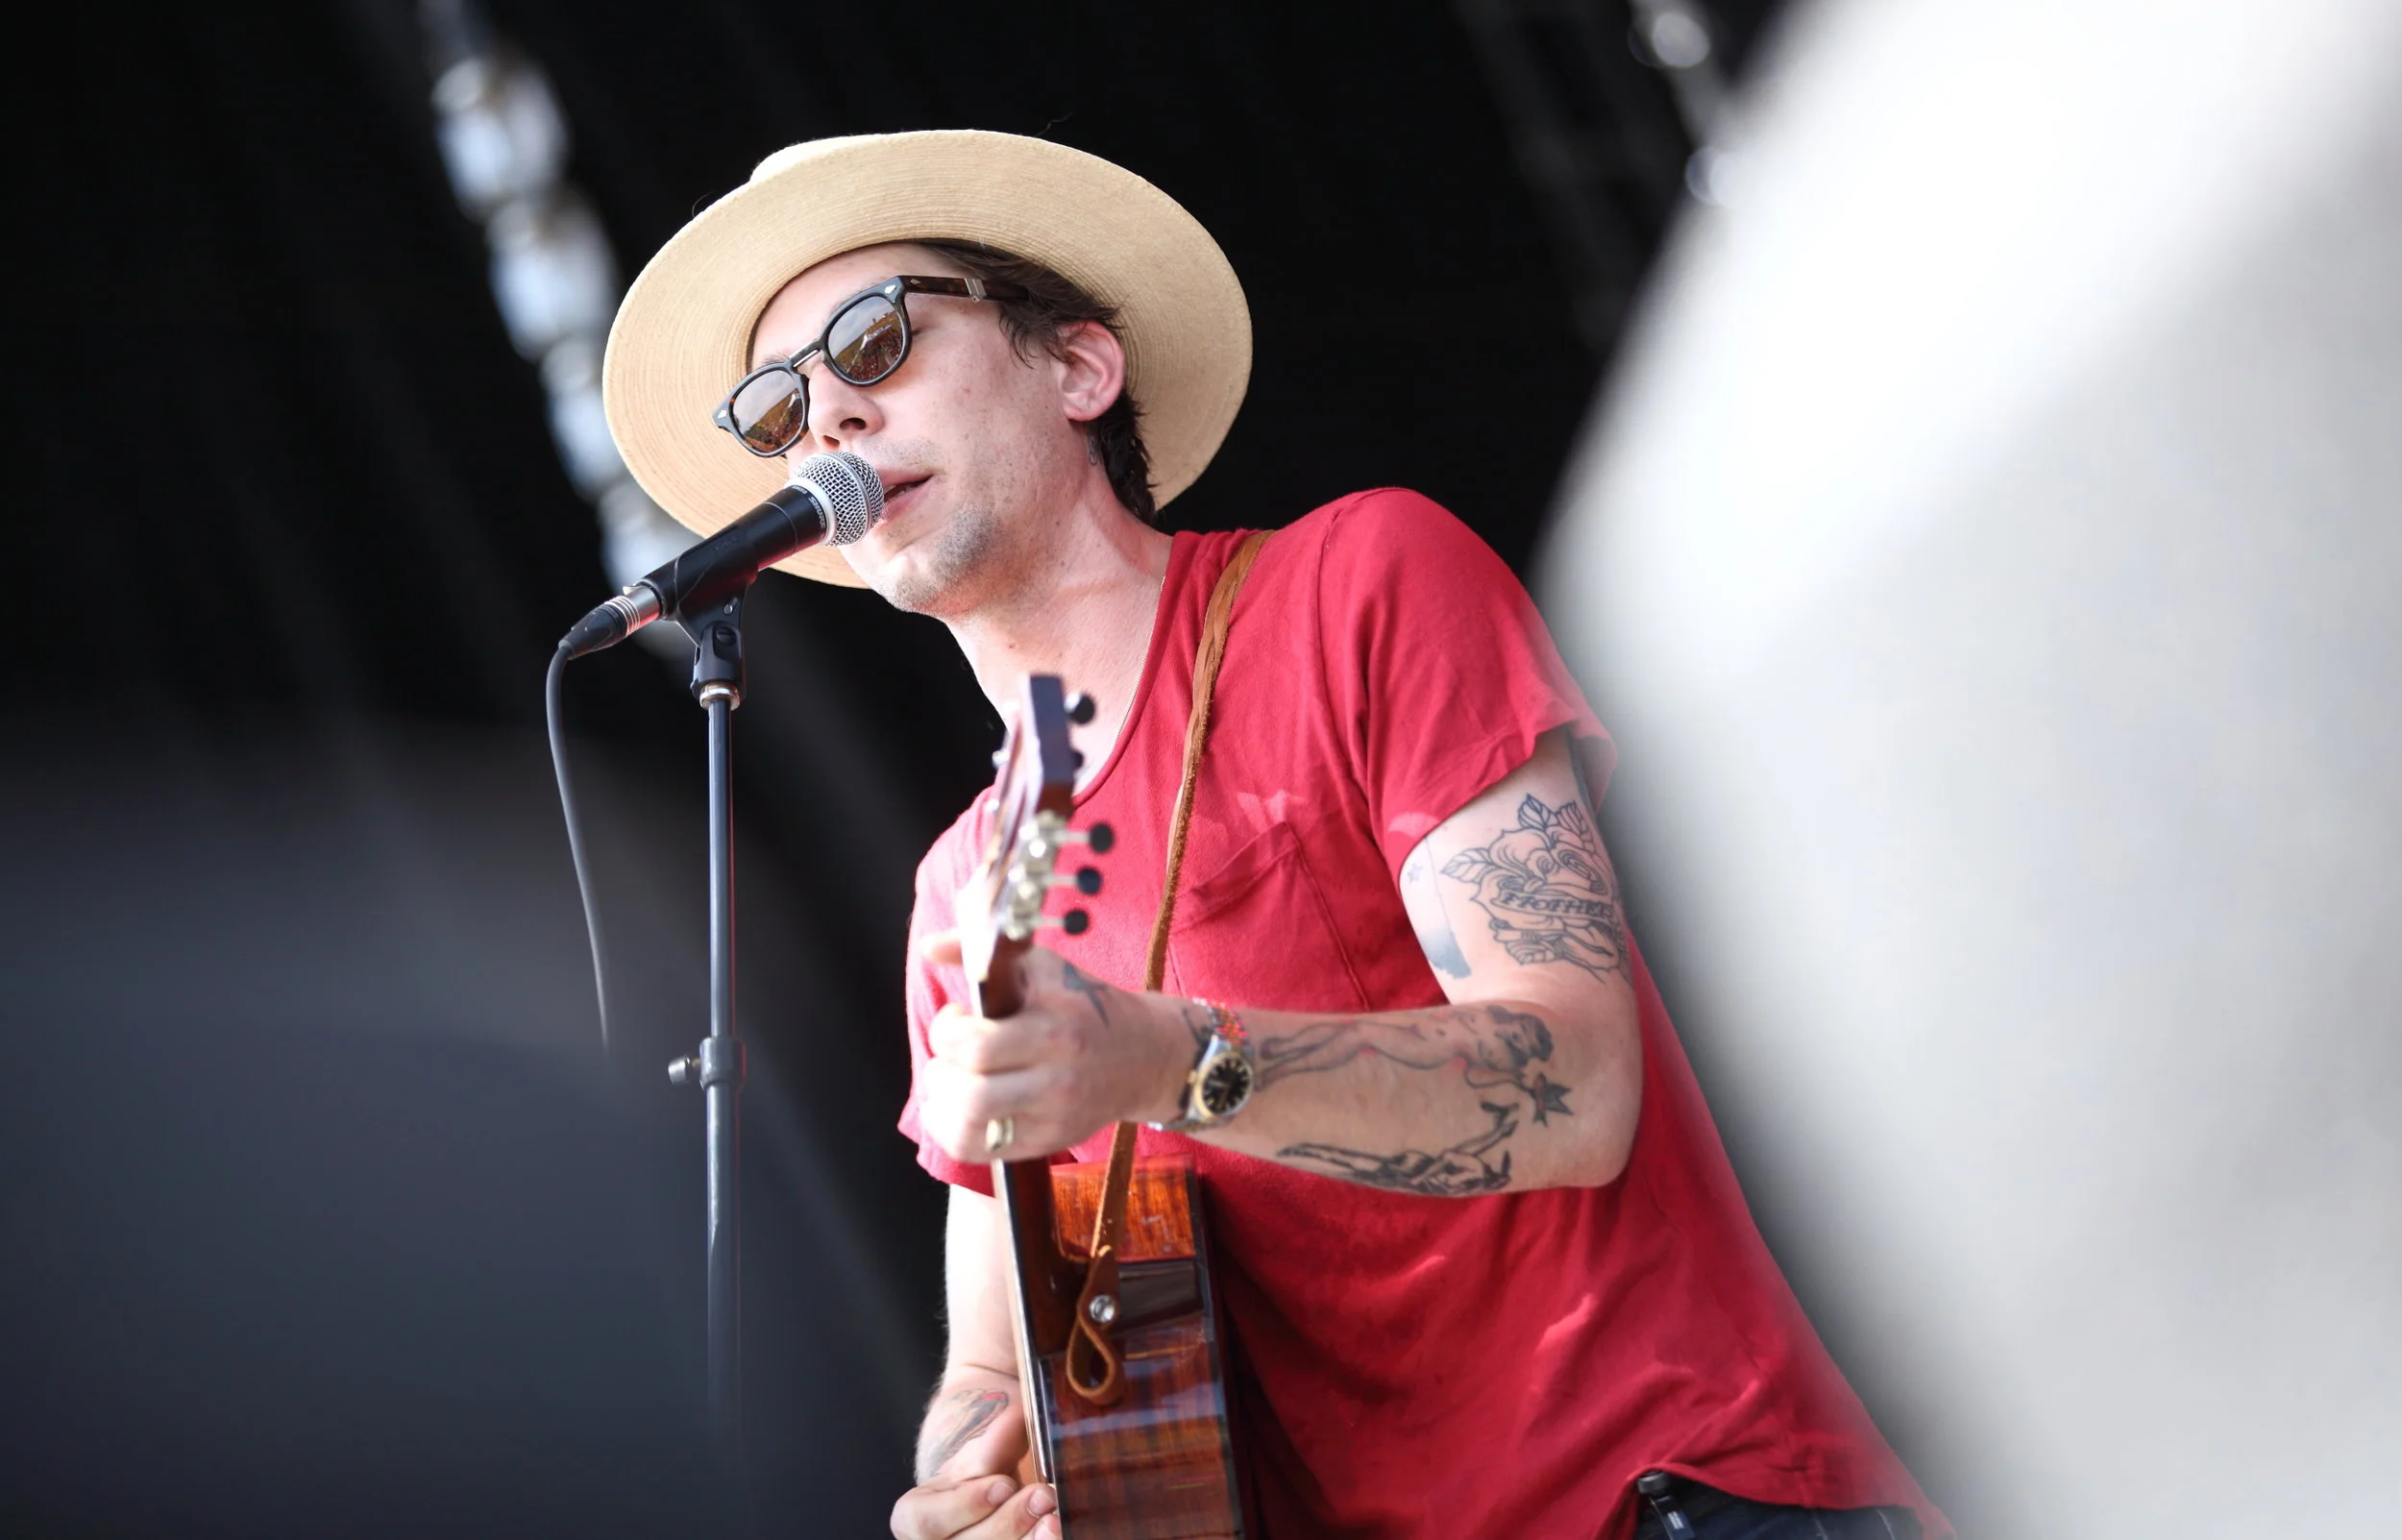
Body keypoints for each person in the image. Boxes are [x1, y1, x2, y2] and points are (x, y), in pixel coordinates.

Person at [601, 130, 1943, 1540]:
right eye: (778, 409)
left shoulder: (1364, 582)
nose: (829, 423)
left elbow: (1581, 1086)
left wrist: (1164, 1057)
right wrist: (968, 1487)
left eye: (874, 343)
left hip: (1678, 1496)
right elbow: (990, 1359)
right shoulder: (962, 897)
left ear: (1078, 367)